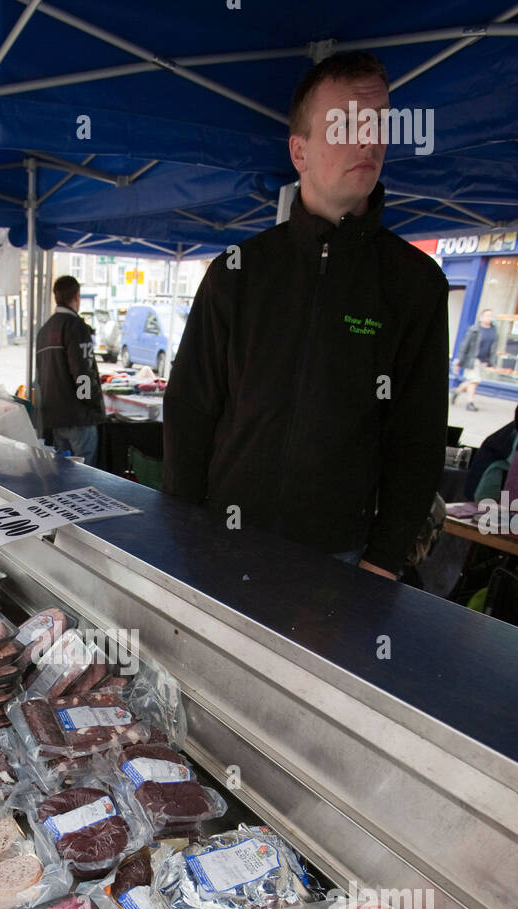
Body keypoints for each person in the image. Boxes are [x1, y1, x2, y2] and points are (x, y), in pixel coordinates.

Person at [163, 52, 448, 581]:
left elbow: (419, 438)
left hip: (338, 561)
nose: (368, 141)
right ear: (300, 151)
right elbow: (189, 407)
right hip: (223, 542)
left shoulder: (414, 283)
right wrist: (182, 526)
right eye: (346, 125)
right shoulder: (238, 270)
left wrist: (383, 562)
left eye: (378, 124)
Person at [36, 275, 104, 469]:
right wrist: (91, 403)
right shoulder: (76, 326)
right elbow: (82, 372)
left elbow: (41, 376)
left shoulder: (45, 330)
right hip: (78, 417)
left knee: (62, 475)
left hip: (55, 417)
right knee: (86, 473)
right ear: (77, 296)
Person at [451, 309, 497, 411]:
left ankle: (457, 391)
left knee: (472, 381)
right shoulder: (475, 329)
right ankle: (470, 402)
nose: (489, 318)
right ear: (481, 317)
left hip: (483, 361)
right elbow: (465, 345)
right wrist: (459, 361)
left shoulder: (493, 330)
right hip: (473, 360)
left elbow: (493, 348)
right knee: (474, 381)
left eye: (491, 316)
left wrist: (492, 362)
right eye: (487, 315)